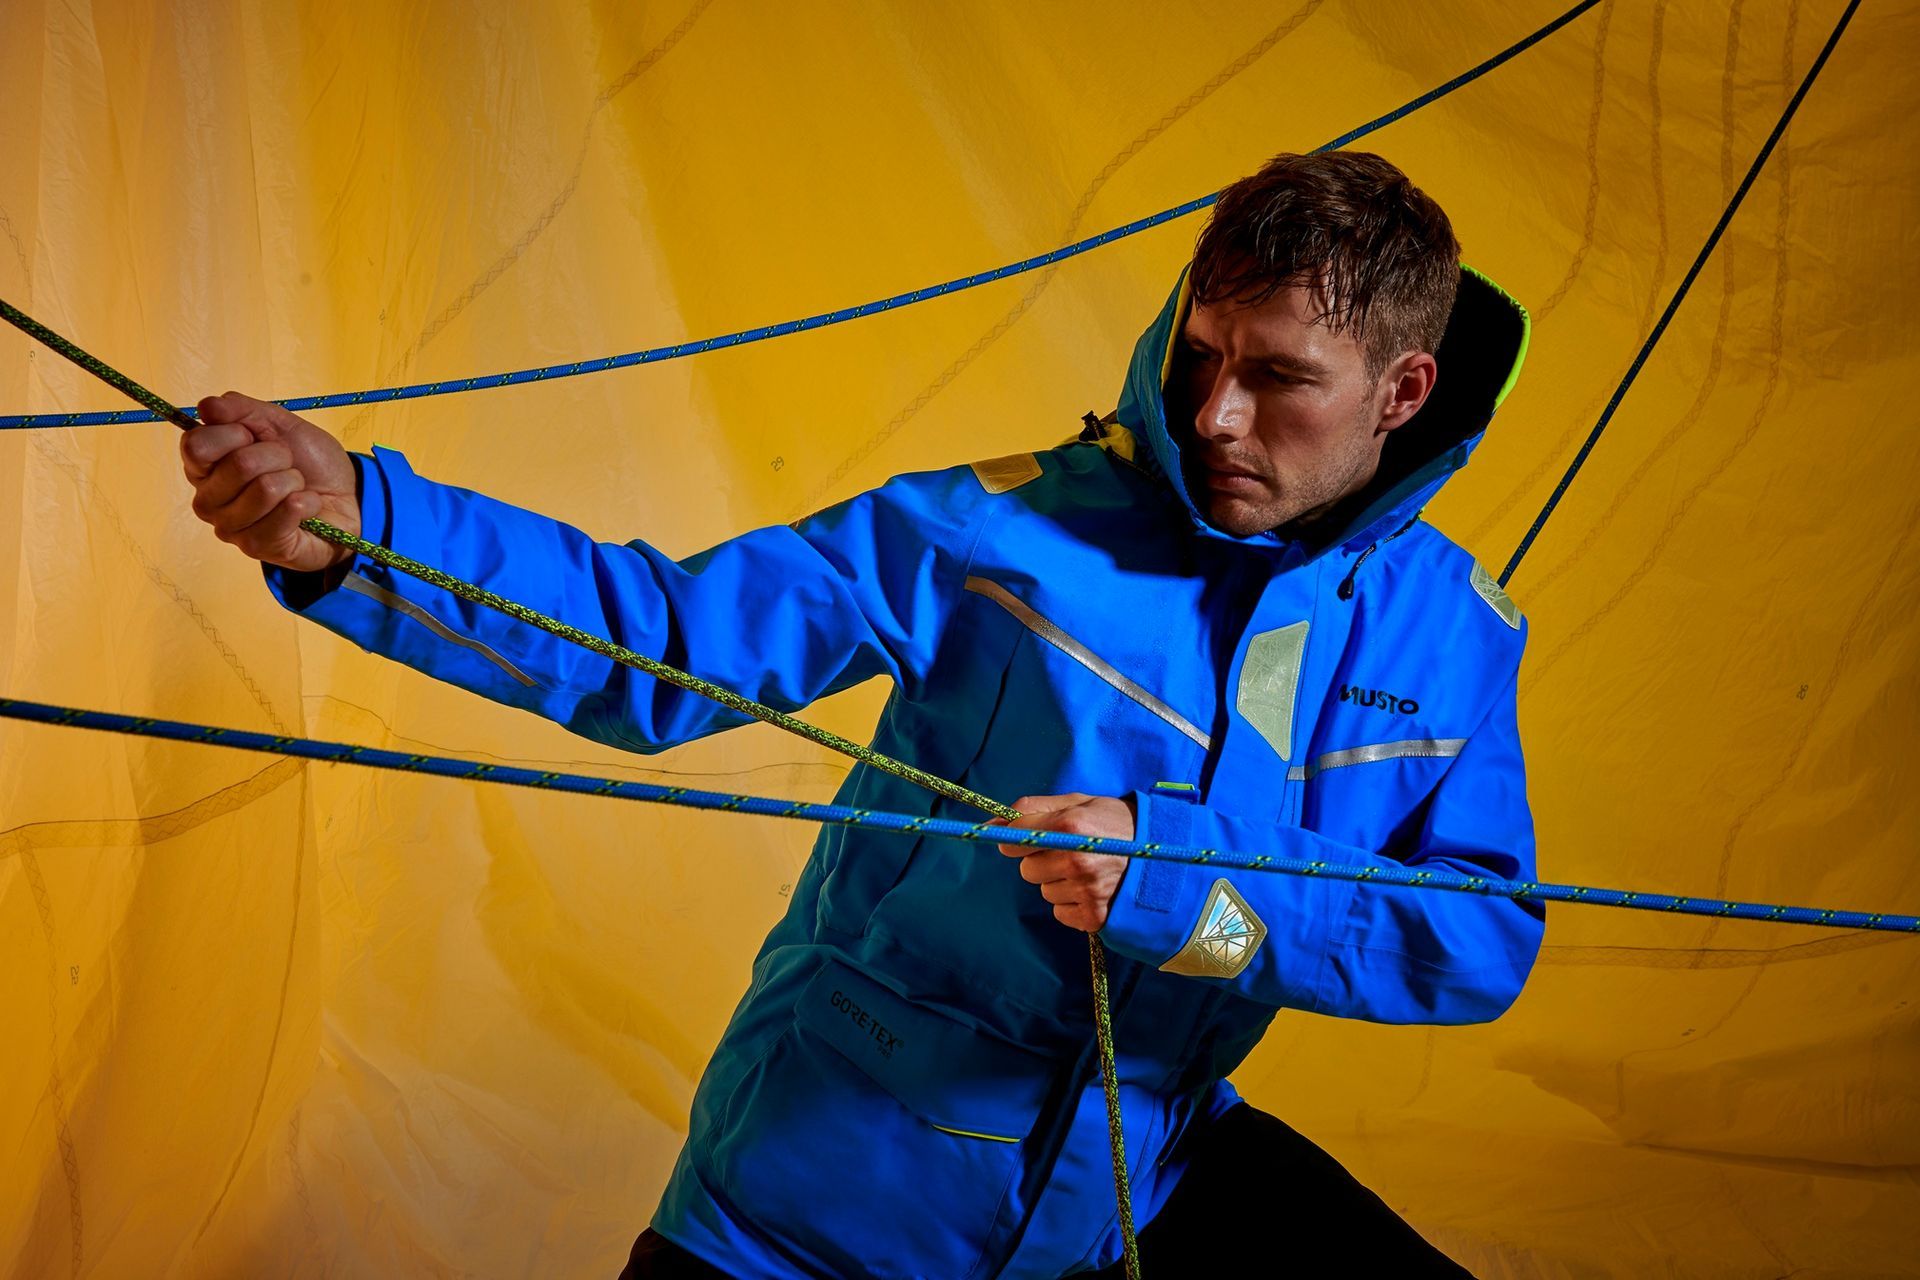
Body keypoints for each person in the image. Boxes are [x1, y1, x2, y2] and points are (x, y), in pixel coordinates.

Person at [180, 150, 1542, 1278]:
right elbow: (655, 648)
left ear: (1401, 394)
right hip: (817, 1202)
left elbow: (1475, 939)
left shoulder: (1455, 635)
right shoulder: (989, 529)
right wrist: (367, 532)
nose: (1216, 416)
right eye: (1201, 354)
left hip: (1129, 1192)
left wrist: (1191, 893)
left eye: (1281, 379)